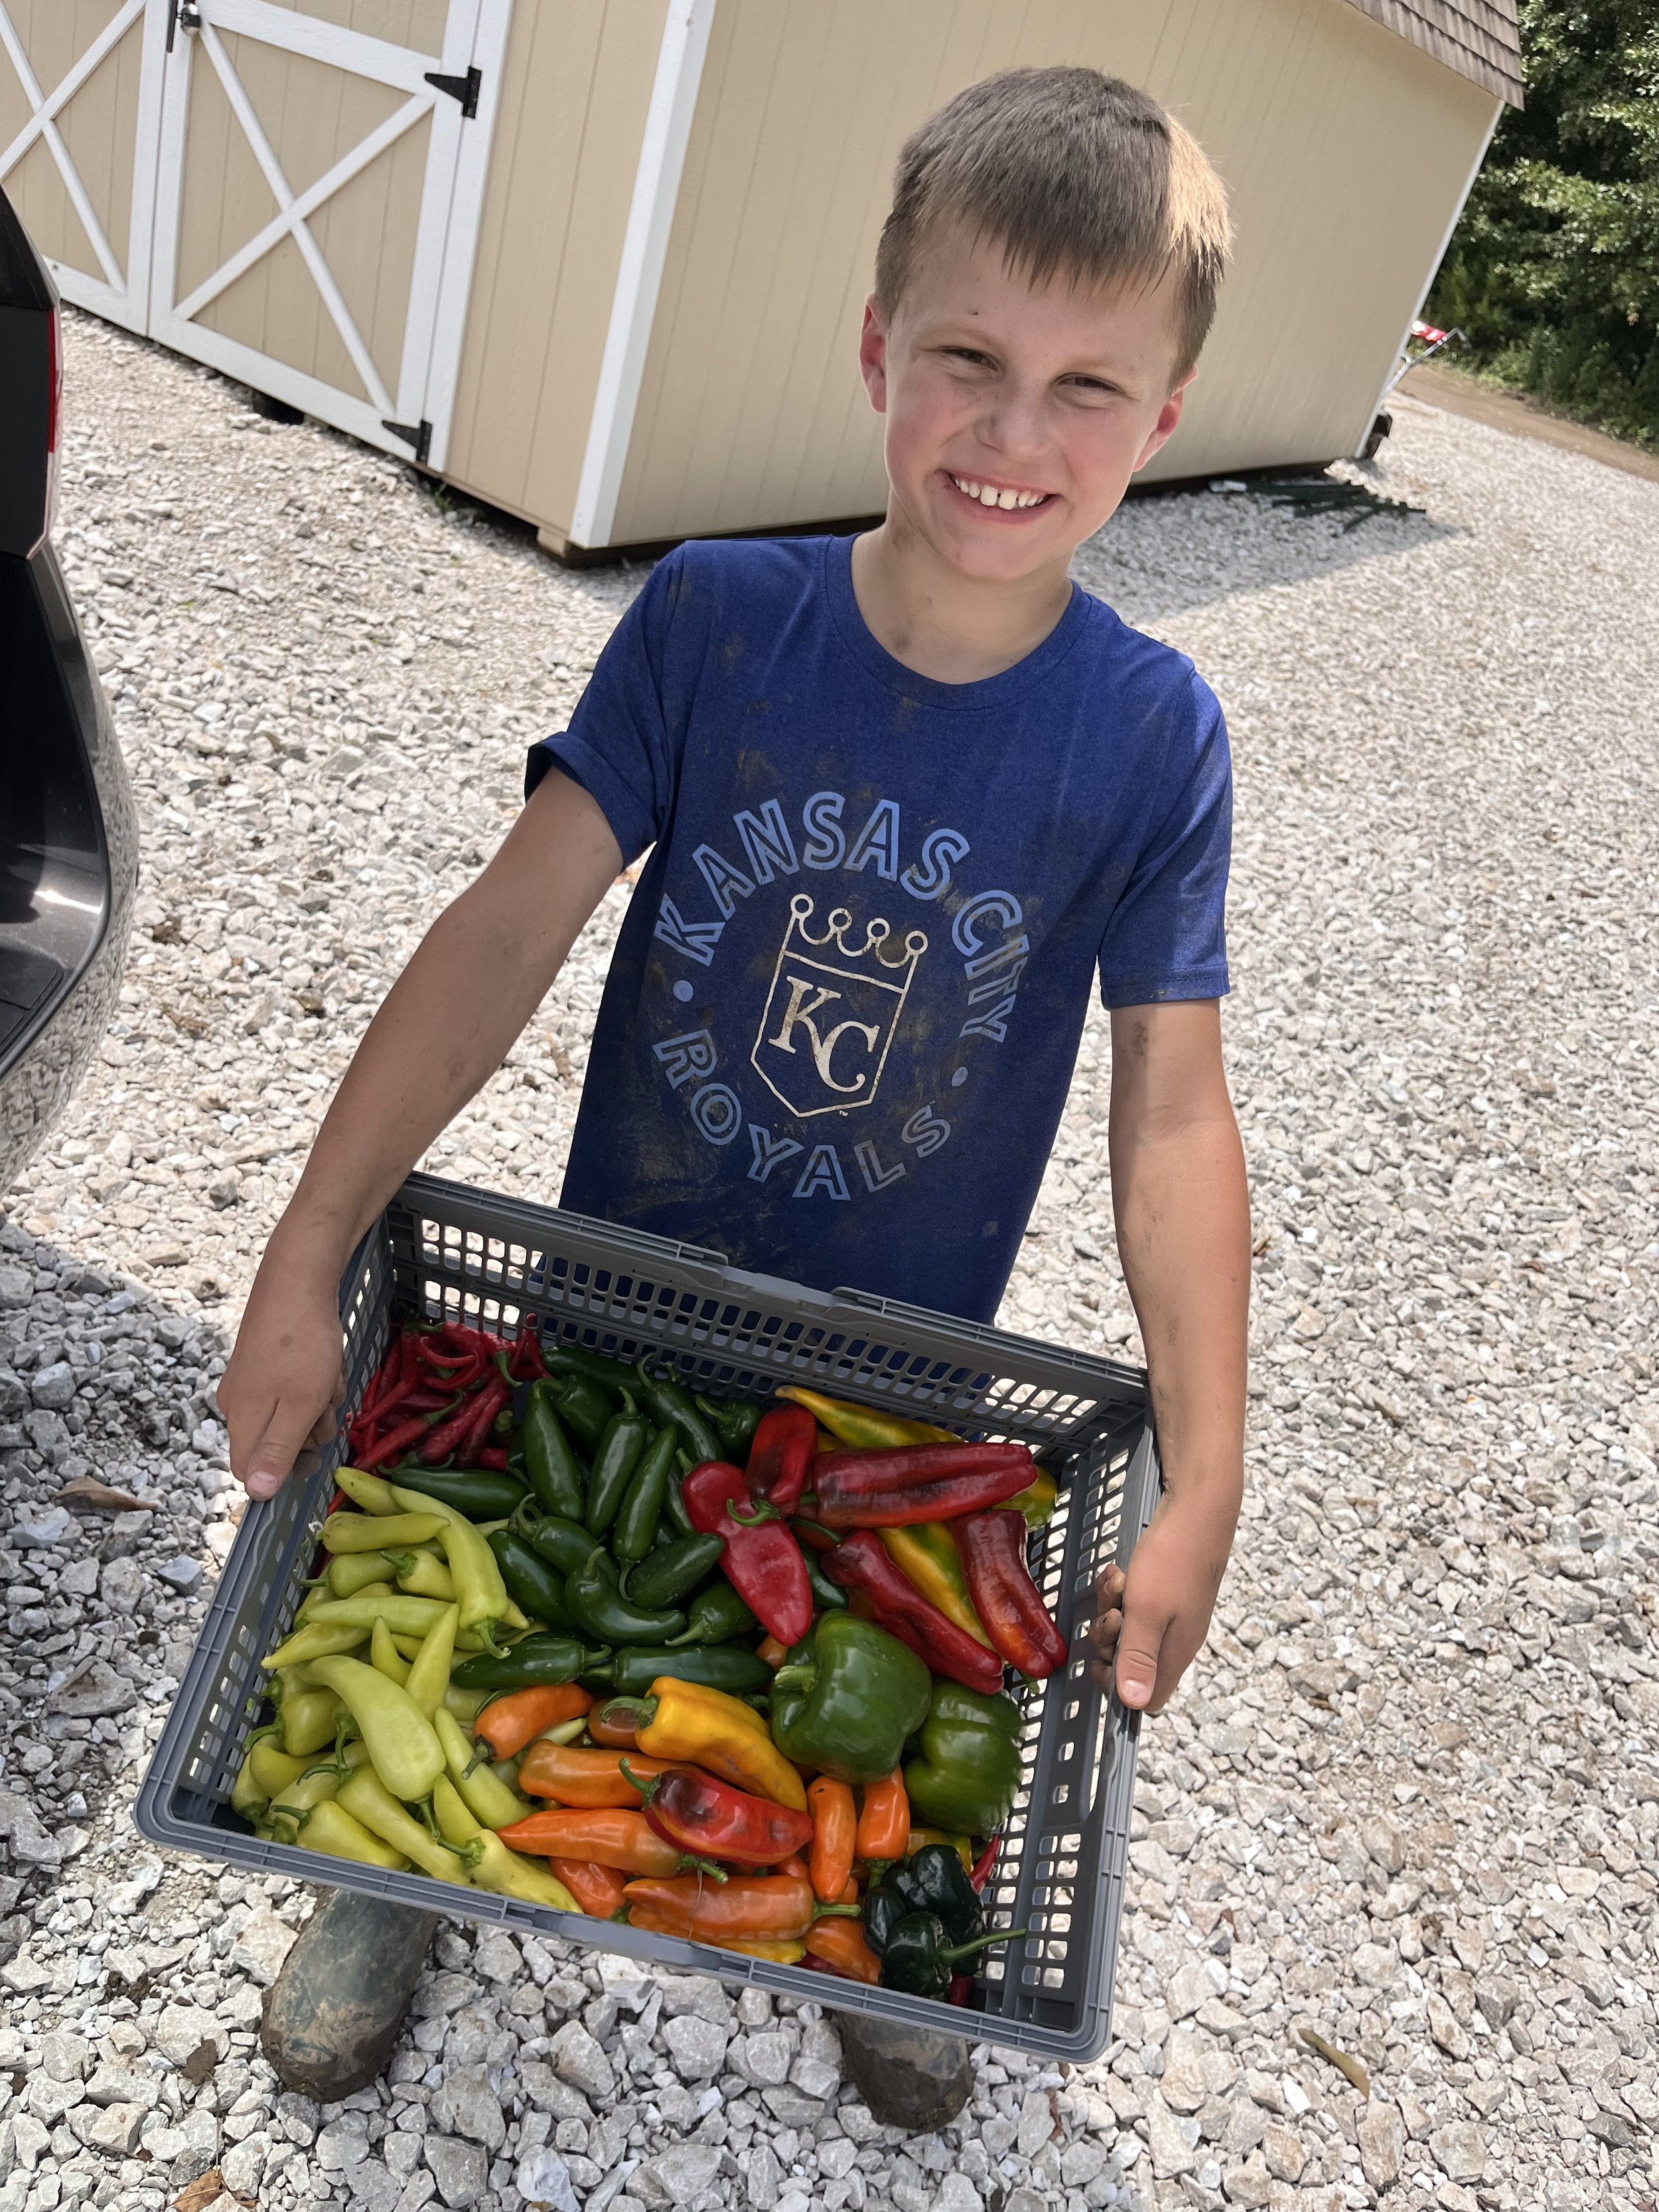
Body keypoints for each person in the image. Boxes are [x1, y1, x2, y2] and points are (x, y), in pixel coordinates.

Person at [222, 65, 1248, 1726]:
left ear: (1161, 422)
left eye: (1086, 386)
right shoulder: (710, 620)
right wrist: (304, 1246)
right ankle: (403, 1872)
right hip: (603, 1322)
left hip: (879, 1408)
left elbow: (1173, 1119)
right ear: (873, 350)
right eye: (966, 357)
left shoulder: (1152, 738)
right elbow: (507, 926)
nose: (1012, 431)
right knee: (511, 1662)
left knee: (836, 1734)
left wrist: (1205, 1478)